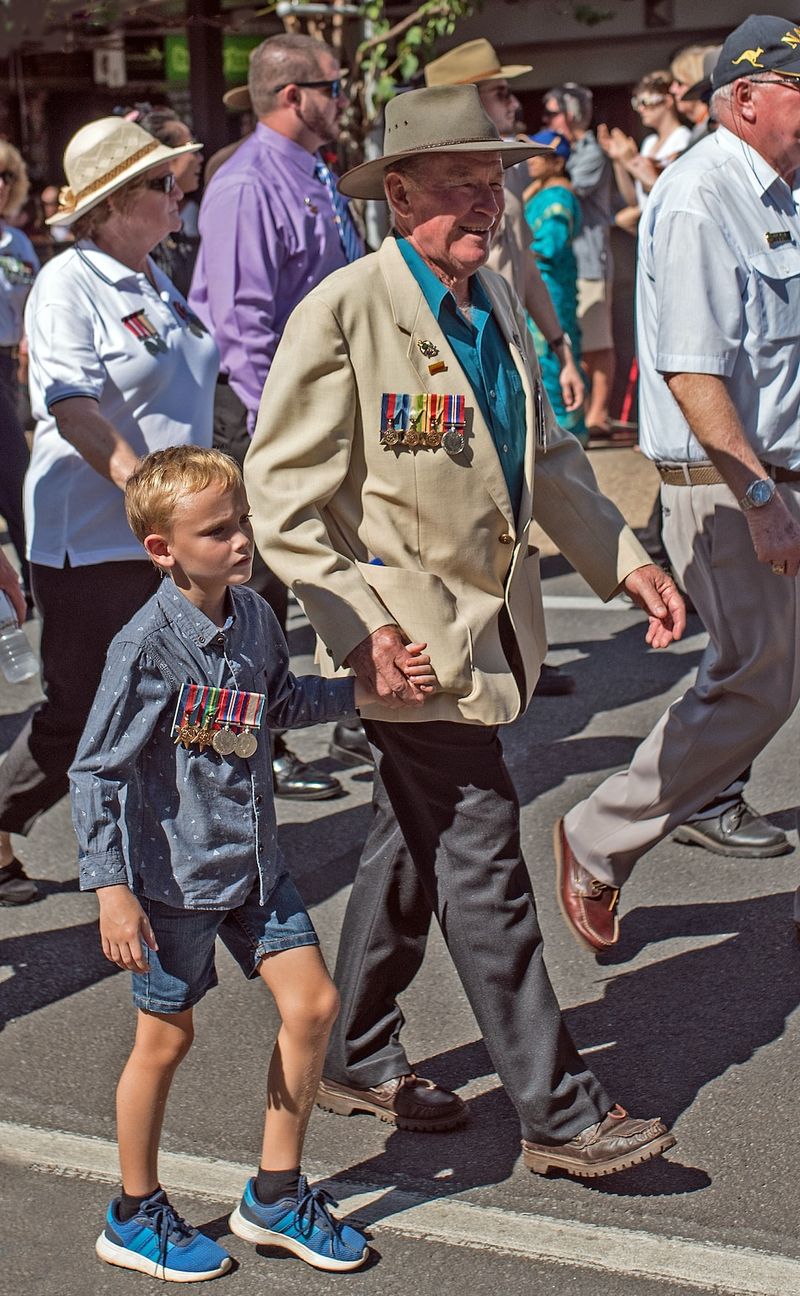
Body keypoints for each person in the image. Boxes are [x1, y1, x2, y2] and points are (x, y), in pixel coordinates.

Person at [244, 84, 684, 1178]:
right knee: (481, 862)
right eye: (459, 185)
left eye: (494, 185)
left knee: (413, 838)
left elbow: (547, 468)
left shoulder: (484, 301)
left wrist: (626, 563)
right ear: (398, 194)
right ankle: (561, 1112)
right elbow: (282, 498)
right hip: (409, 646)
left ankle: (350, 1052)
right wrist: (355, 632)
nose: (485, 204)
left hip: (486, 641)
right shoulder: (344, 311)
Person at [70, 446, 420, 1280]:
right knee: (165, 1037)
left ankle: (273, 1193)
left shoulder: (257, 615)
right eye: (217, 531)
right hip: (171, 882)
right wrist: (112, 891)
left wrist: (370, 692)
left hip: (255, 864)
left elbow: (282, 704)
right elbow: (96, 770)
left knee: (313, 1004)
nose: (240, 542)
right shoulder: (147, 646)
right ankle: (133, 1212)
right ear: (162, 548)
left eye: (242, 524)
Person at [556, 14, 800, 956]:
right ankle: (598, 836)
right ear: (744, 97)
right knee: (752, 684)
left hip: (775, 468)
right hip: (735, 479)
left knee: (760, 679)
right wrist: (764, 501)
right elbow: (693, 373)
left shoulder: (776, 186)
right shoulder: (703, 196)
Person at [0, 116, 217, 907]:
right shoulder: (68, 282)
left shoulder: (154, 275)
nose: (179, 192)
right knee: (81, 711)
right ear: (113, 205)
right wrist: (153, 495)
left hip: (163, 533)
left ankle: (166, 855)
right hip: (92, 541)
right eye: (163, 184)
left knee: (175, 696)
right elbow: (73, 410)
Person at [190, 32, 367, 793]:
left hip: (313, 408)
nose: (343, 97)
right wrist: (279, 434)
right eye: (334, 84)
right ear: (294, 96)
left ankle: (344, 724)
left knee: (299, 574)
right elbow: (242, 325)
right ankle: (235, 752)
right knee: (246, 587)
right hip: (260, 413)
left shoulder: (314, 173)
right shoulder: (246, 183)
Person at [424, 38, 585, 696]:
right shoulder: (438, 209)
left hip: (510, 345)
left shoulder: (505, 193)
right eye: (497, 93)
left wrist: (559, 344)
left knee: (520, 504)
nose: (511, 103)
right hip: (458, 354)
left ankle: (520, 646)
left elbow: (526, 283)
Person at [543, 83, 616, 437]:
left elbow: (567, 183)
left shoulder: (591, 153)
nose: (548, 120)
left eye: (553, 112)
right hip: (570, 264)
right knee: (579, 338)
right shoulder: (566, 149)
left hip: (589, 257)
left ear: (570, 114)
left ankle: (598, 414)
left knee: (598, 341)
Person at [523, 131, 586, 445]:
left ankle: (567, 429)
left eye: (540, 156)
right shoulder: (541, 192)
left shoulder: (559, 198)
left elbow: (551, 244)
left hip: (550, 287)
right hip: (539, 283)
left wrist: (517, 250)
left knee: (552, 350)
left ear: (558, 162)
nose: (531, 161)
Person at [0, 141, 38, 610]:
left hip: (10, 362)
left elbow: (30, 302)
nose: (1, 185)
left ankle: (30, 574)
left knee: (15, 476)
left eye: (7, 176)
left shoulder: (18, 241)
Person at [598, 72, 691, 222]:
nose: (640, 109)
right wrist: (619, 161)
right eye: (637, 103)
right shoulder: (649, 142)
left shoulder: (683, 139)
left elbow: (673, 195)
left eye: (646, 102)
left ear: (668, 101)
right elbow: (635, 201)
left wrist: (630, 162)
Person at [136, 107, 203, 298]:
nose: (199, 158)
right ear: (166, 157)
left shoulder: (172, 225)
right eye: (192, 147)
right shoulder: (144, 234)